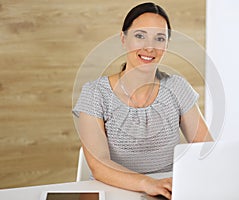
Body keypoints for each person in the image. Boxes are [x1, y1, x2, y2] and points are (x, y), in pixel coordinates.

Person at [73, 2, 212, 199]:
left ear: (166, 45)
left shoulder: (177, 88)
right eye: (140, 36)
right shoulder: (95, 94)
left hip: (164, 194)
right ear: (123, 38)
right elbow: (99, 165)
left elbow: (205, 150)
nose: (150, 47)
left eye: (159, 38)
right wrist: (148, 184)